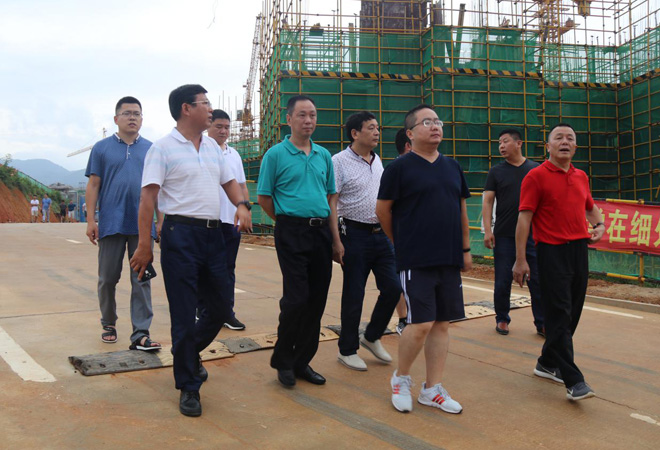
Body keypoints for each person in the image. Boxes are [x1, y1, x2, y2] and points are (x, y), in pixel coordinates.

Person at [130, 84, 252, 418]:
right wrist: (144, 245)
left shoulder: (212, 146)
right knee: (184, 314)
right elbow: (148, 198)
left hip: (214, 236)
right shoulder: (162, 148)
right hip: (179, 235)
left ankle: (186, 353)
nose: (210, 109)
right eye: (205, 103)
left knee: (221, 306)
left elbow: (229, 182)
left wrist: (241, 205)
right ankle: (189, 385)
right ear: (186, 108)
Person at [376, 104, 471, 414]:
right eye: (427, 122)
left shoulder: (452, 166)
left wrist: (465, 250)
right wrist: (401, 242)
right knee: (420, 323)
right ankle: (401, 379)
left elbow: (460, 209)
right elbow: (382, 210)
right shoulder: (399, 168)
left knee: (442, 324)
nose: (435, 126)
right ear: (410, 133)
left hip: (449, 256)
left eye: (438, 121)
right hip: (416, 258)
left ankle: (432, 389)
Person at [513, 123, 605, 402]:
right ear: (548, 146)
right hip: (551, 251)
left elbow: (589, 206)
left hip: (579, 250)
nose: (565, 141)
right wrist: (520, 260)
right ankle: (573, 380)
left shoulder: (581, 176)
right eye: (559, 137)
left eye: (570, 138)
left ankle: (547, 362)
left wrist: (599, 225)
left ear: (575, 147)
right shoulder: (535, 176)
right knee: (559, 313)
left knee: (573, 310)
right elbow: (524, 219)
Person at [257, 95, 336, 388]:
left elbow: (330, 197)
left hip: (321, 232)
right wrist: (287, 221)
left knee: (317, 300)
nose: (308, 120)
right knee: (296, 298)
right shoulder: (275, 155)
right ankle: (283, 360)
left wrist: (336, 240)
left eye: (313, 115)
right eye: (302, 115)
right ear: (288, 119)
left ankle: (302, 361)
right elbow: (264, 197)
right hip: (291, 231)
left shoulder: (323, 155)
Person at [84, 96, 161, 351]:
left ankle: (141, 333)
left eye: (137, 114)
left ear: (142, 119)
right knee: (107, 278)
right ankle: (108, 322)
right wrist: (91, 220)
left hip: (142, 227)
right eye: (127, 113)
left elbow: (157, 189)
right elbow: (94, 184)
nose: (132, 117)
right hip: (111, 223)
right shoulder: (101, 148)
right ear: (116, 119)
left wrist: (160, 220)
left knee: (141, 279)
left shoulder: (151, 149)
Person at [330, 111, 400, 372]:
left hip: (381, 235)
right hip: (353, 234)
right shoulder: (338, 162)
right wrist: (335, 240)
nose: (377, 132)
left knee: (394, 288)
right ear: (355, 133)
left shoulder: (377, 160)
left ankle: (371, 335)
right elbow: (332, 202)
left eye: (377, 127)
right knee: (354, 294)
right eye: (371, 128)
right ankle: (347, 350)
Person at [482, 129, 544, 336]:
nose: (501, 146)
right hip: (504, 235)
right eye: (499, 142)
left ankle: (542, 322)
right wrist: (488, 230)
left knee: (537, 280)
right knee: (502, 280)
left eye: (505, 141)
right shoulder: (496, 172)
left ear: (519, 143)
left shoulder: (536, 169)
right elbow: (488, 201)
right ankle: (502, 319)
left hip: (534, 235)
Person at [204, 109, 249, 331]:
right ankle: (203, 311)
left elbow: (241, 186)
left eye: (227, 127)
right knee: (205, 269)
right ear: (208, 127)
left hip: (230, 221)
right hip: (207, 221)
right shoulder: (200, 151)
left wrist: (245, 210)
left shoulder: (234, 155)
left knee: (228, 268)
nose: (223, 131)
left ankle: (226, 313)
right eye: (218, 127)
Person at [393, 127, 412, 335]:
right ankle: (403, 319)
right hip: (402, 238)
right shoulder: (396, 170)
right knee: (399, 280)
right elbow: (383, 210)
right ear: (408, 145)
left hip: (423, 237)